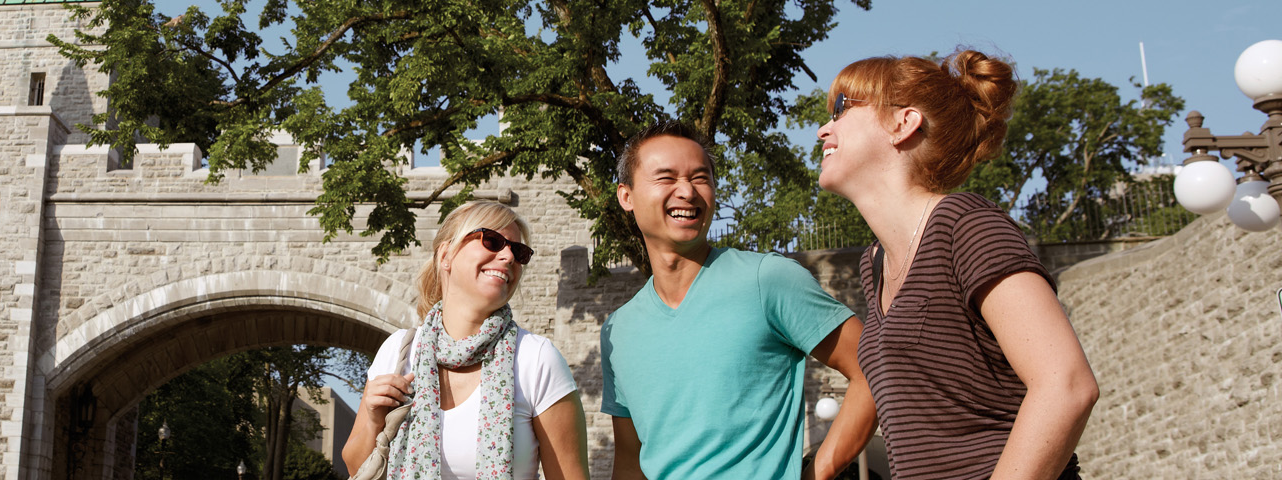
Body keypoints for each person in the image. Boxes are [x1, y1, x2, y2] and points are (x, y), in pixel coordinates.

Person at [814, 50, 1099, 479]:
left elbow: (1067, 386)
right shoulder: (875, 263)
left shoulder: (966, 226)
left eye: (841, 108)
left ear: (903, 123)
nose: (824, 129)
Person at [602, 121, 877, 480]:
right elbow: (629, 460)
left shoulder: (768, 280)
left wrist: (816, 473)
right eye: (666, 178)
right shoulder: (618, 330)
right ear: (626, 196)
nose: (687, 191)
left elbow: (873, 371)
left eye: (700, 178)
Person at [342, 200, 590, 480]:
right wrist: (376, 420)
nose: (508, 257)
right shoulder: (399, 350)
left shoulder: (536, 359)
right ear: (446, 254)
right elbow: (356, 468)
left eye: (518, 251)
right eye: (493, 241)